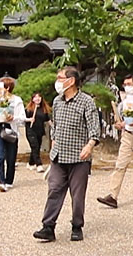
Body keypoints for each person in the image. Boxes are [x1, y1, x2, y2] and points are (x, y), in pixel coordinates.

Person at [33, 66, 100, 242]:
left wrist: (90, 145)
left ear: (71, 81)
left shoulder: (86, 102)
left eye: (60, 77)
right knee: (54, 190)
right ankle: (48, 227)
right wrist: (53, 141)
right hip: (58, 155)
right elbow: (55, 125)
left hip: (79, 157)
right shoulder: (57, 101)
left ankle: (77, 226)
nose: (57, 81)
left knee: (77, 195)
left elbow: (94, 128)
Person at [96, 74, 133, 209]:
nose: (127, 87)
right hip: (128, 136)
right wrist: (121, 124)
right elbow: (123, 120)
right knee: (120, 164)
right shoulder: (124, 102)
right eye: (125, 84)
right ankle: (113, 196)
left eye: (130, 84)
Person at [0, 77, 26, 192]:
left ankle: (9, 180)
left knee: (11, 158)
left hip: (11, 130)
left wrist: (12, 118)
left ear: (7, 87)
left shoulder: (17, 100)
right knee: (0, 155)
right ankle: (1, 181)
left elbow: (22, 117)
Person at [25, 92, 51, 173]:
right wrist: (29, 119)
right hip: (31, 130)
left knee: (36, 148)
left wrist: (54, 126)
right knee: (35, 146)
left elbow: (48, 119)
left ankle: (30, 163)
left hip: (39, 131)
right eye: (35, 97)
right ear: (32, 99)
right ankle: (39, 165)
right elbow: (23, 118)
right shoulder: (29, 109)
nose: (37, 98)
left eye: (39, 97)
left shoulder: (44, 109)